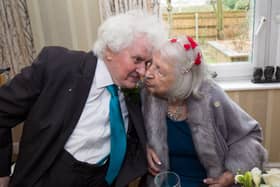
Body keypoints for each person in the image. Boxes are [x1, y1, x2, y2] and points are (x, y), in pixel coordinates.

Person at [0, 11, 167, 187]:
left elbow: (132, 130)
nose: (143, 72)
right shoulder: (58, 66)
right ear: (110, 49)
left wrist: (144, 147)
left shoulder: (132, 87)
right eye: (137, 59)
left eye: (147, 62)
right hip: (49, 177)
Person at [140, 35, 267, 187]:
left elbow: (249, 138)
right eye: (151, 63)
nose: (148, 74)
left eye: (160, 71)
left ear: (182, 79)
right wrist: (144, 147)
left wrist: (230, 175)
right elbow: (127, 133)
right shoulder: (147, 93)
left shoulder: (211, 97)